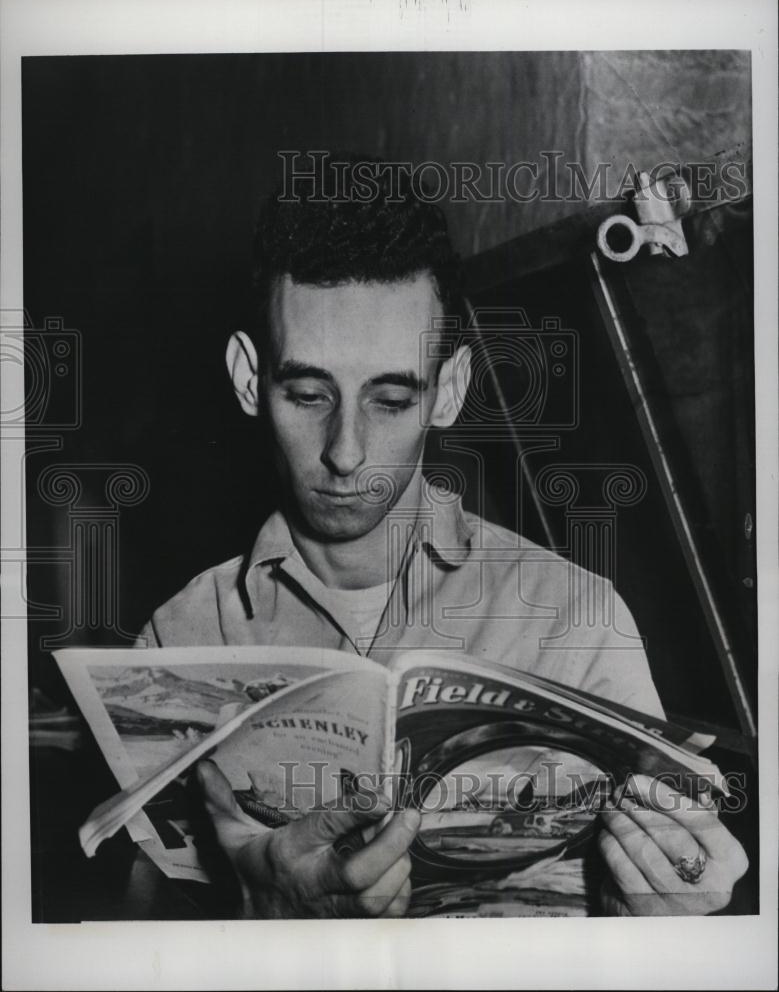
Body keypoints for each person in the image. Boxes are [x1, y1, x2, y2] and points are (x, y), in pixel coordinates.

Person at [138, 155, 748, 918]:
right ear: (246, 378)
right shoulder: (179, 638)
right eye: (306, 394)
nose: (346, 450)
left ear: (450, 389)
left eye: (391, 399)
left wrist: (676, 910)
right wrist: (261, 906)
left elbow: (666, 892)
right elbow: (140, 913)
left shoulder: (574, 617)